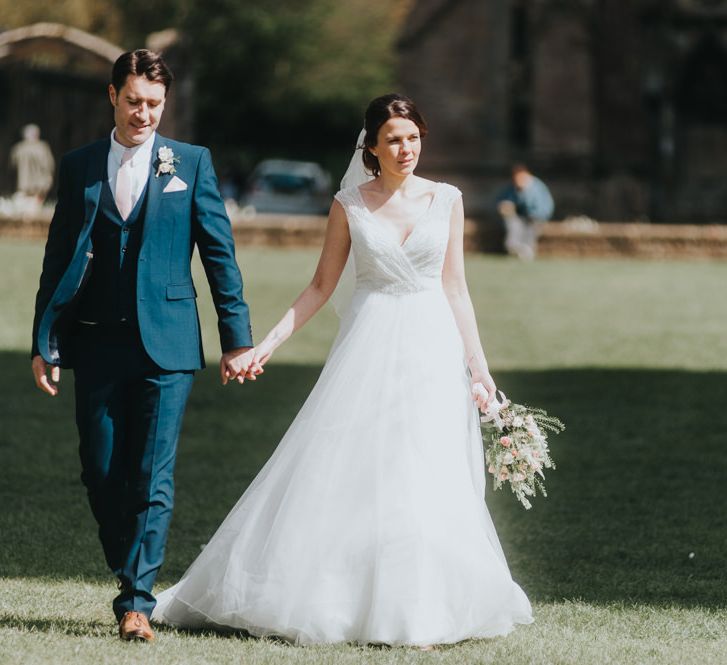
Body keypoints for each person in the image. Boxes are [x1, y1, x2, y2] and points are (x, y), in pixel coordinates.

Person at [152, 93, 533, 647]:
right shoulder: (349, 205)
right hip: (370, 348)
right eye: (394, 140)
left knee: (428, 470)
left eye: (413, 137)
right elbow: (320, 287)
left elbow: (456, 289)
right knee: (358, 468)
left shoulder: (447, 199)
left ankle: (422, 608)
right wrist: (267, 345)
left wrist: (480, 367)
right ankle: (338, 595)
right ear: (372, 149)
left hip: (432, 347)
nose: (406, 149)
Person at [30, 50, 256, 642]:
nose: (143, 114)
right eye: (134, 101)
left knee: (152, 476)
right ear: (112, 97)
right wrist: (44, 341)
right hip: (95, 344)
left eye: (154, 104)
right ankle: (126, 561)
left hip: (169, 346)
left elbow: (219, 257)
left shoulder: (192, 163)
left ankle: (137, 601)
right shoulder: (79, 165)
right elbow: (57, 259)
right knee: (101, 470)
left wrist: (236, 340)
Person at [496, 164, 554, 260]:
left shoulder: (536, 187)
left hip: (536, 217)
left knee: (530, 226)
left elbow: (542, 208)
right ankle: (514, 246)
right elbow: (503, 201)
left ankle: (528, 249)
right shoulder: (512, 187)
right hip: (520, 217)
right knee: (512, 223)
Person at [10, 123, 55, 206]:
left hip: (22, 187)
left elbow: (12, 166)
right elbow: (49, 165)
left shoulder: (18, 148)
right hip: (39, 188)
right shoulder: (42, 147)